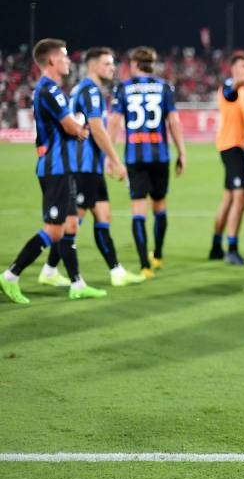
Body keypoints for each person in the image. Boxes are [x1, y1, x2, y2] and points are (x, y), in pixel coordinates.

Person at [1, 39, 107, 304]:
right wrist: (82, 129)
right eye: (64, 56)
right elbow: (72, 128)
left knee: (69, 225)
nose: (69, 61)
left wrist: (78, 128)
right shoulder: (50, 90)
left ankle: (77, 283)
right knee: (53, 229)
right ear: (51, 61)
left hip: (65, 168)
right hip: (55, 168)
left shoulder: (51, 89)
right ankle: (10, 276)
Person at [69, 47, 145, 286]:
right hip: (83, 166)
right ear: (93, 66)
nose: (113, 68)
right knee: (71, 224)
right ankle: (43, 269)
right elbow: (98, 130)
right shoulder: (90, 90)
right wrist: (115, 159)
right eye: (107, 64)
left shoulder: (88, 89)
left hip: (91, 166)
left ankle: (116, 271)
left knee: (103, 215)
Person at [108, 46, 186, 278]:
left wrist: (108, 156)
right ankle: (158, 255)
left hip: (135, 158)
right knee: (160, 207)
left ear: (134, 64)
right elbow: (174, 122)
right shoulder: (164, 87)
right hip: (160, 156)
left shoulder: (123, 88)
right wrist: (182, 152)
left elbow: (113, 123)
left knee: (138, 210)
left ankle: (144, 266)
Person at [209, 51, 244, 265]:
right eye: (243, 67)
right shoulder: (230, 87)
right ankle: (232, 248)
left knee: (229, 198)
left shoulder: (243, 91)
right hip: (233, 148)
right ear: (233, 69)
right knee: (241, 197)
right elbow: (233, 90)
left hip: (239, 147)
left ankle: (216, 246)